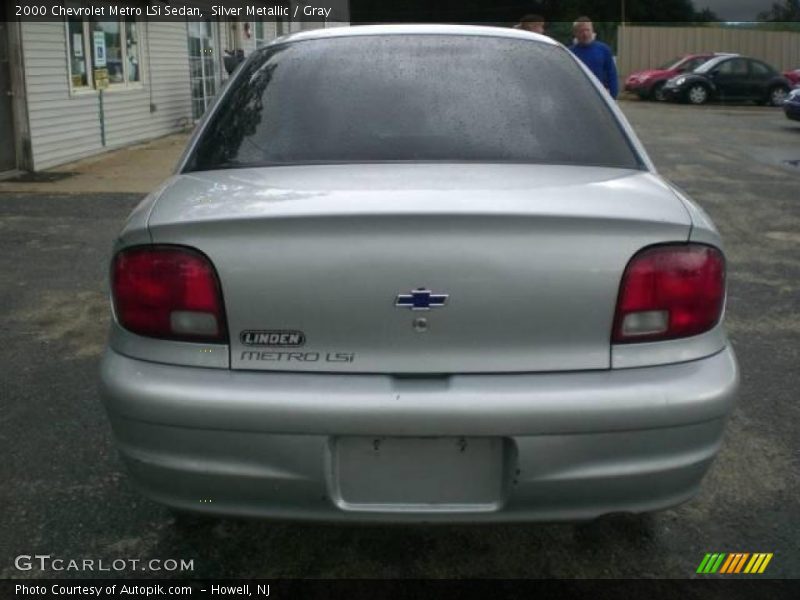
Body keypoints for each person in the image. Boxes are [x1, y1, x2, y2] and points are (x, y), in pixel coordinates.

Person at [569, 17, 618, 99]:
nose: (585, 34)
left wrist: (613, 97)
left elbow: (612, 74)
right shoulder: (570, 53)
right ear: (575, 33)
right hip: (577, 97)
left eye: (587, 30)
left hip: (599, 98)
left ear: (592, 31)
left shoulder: (604, 50)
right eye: (581, 31)